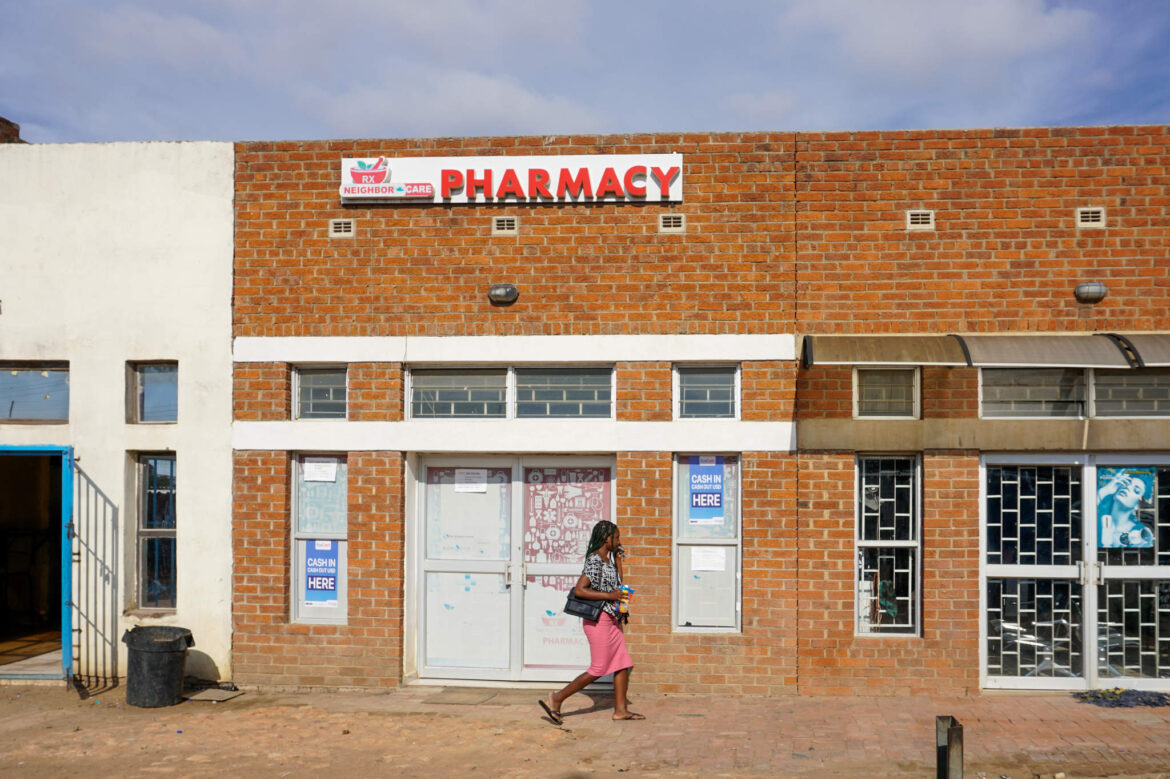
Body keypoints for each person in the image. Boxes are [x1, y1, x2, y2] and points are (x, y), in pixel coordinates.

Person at [539, 520, 644, 723]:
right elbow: (580, 590)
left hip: (613, 619)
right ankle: (557, 698)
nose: (619, 541)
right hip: (599, 622)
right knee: (599, 668)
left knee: (622, 664)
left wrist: (619, 561)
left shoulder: (608, 560)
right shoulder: (595, 560)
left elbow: (618, 587)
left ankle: (621, 711)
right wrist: (610, 596)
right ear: (606, 538)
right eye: (616, 537)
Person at [1098, 470, 1154, 548]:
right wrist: (1107, 490)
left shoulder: (1140, 533)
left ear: (1138, 504)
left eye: (1136, 490)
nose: (1127, 488)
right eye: (1126, 483)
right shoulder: (1096, 519)